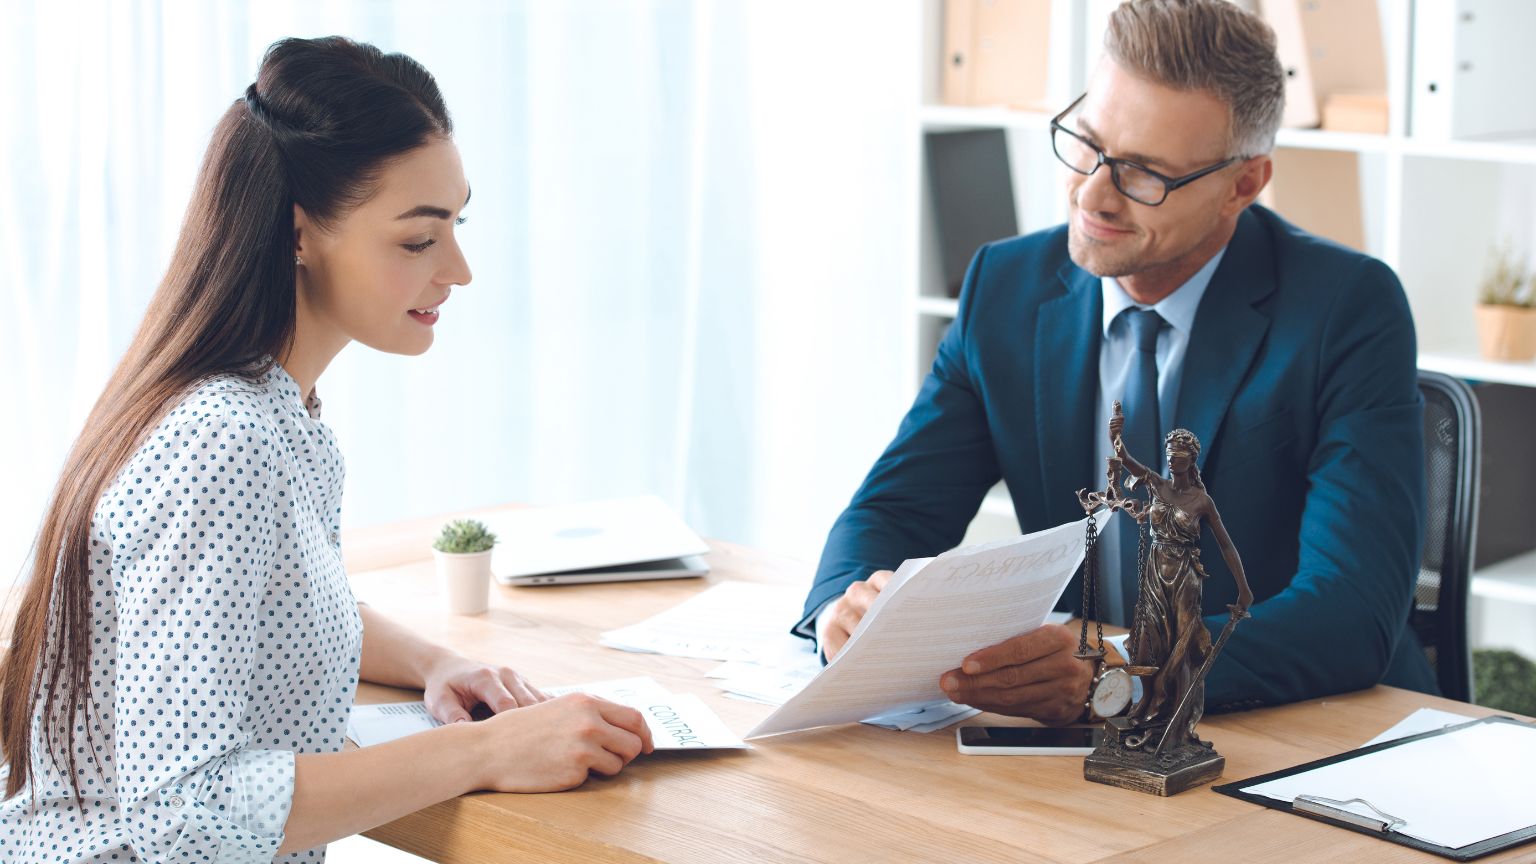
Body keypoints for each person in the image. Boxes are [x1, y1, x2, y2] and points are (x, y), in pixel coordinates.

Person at [0, 37, 651, 863]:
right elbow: (181, 814)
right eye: (419, 239)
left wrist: (436, 663)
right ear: (299, 235)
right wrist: (484, 753)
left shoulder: (282, 415)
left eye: (456, 225)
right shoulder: (222, 442)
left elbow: (269, 604)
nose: (459, 269)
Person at [798, 0, 1433, 726]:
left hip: (1295, 726)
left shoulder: (1345, 308)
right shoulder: (1006, 287)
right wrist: (843, 612)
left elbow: (1352, 613)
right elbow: (895, 510)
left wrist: (1129, 678)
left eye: (1145, 175)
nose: (1092, 194)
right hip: (1079, 745)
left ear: (1243, 185)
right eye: (1088, 144)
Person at [1109, 416, 1252, 738]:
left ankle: (1177, 719)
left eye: (1179, 456)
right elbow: (1126, 460)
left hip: (1185, 577)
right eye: (1169, 455)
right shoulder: (1157, 484)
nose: (1173, 460)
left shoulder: (1202, 501)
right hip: (1155, 571)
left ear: (1191, 460)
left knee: (1181, 645)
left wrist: (1243, 589)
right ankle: (1147, 699)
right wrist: (1115, 436)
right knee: (1146, 640)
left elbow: (1227, 546)